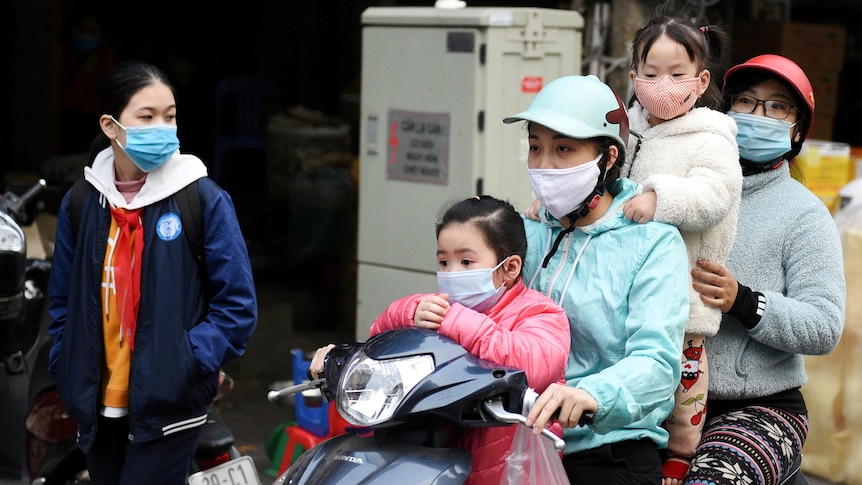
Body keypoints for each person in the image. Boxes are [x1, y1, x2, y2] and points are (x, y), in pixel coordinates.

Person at [47, 61, 258, 484]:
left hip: (169, 408)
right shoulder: (83, 200)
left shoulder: (201, 198)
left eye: (170, 116)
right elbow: (61, 299)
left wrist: (186, 361)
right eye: (147, 117)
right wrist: (64, 363)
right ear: (110, 126)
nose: (162, 128)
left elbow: (237, 309)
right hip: (96, 406)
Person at [507, 74, 690, 484]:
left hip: (606, 449)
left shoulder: (653, 243)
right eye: (535, 147)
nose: (543, 165)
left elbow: (657, 363)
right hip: (511, 433)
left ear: (608, 158)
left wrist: (592, 396)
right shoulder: (523, 230)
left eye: (563, 149)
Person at [311, 195, 571, 485]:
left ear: (509, 268)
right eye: (444, 261)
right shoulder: (434, 310)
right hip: (430, 464)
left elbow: (532, 366)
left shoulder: (540, 313)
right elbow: (382, 339)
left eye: (466, 261)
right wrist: (409, 313)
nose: (451, 273)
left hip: (505, 472)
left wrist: (456, 320)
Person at [684, 54, 845, 485]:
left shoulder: (805, 215)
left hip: (760, 409)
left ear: (796, 130)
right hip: (667, 399)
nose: (760, 115)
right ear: (726, 113)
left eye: (777, 106)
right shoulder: (687, 191)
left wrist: (745, 301)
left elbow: (825, 325)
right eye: (747, 102)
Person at [624, 4, 742, 483]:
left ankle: (680, 450)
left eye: (677, 72)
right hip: (628, 283)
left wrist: (660, 197)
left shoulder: (711, 136)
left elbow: (715, 197)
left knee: (684, 373)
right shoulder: (625, 130)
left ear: (701, 78)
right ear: (634, 76)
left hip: (685, 286)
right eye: (651, 73)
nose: (663, 84)